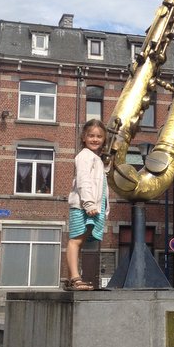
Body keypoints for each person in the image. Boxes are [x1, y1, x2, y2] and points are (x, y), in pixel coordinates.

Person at [65, 119, 110, 291]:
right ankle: (75, 278)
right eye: (91, 135)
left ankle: (70, 279)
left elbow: (101, 185)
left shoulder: (95, 158)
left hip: (90, 206)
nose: (95, 139)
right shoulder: (84, 156)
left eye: (99, 136)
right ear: (84, 137)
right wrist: (89, 204)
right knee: (76, 240)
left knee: (80, 240)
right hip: (83, 206)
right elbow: (84, 181)